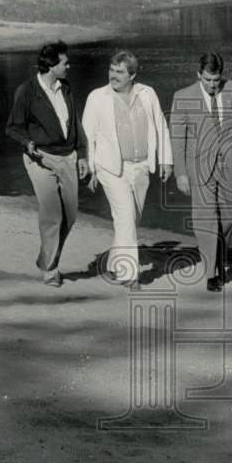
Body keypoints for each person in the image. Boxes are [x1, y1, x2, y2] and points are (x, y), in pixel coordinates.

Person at [170, 51, 232, 292]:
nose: (212, 85)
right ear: (199, 75)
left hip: (230, 164)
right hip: (199, 167)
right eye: (207, 80)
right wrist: (180, 173)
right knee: (205, 218)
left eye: (216, 80)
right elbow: (177, 139)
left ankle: (219, 252)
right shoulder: (182, 97)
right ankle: (211, 273)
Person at [82, 50, 173, 290]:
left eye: (119, 72)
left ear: (132, 74)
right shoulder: (97, 98)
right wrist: (91, 170)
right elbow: (88, 136)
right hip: (111, 167)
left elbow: (160, 126)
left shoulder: (147, 94)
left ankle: (114, 263)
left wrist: (166, 160)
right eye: (111, 70)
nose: (113, 76)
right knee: (125, 216)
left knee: (131, 219)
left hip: (142, 165)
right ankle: (129, 275)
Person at [6, 40, 88, 287]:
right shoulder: (27, 90)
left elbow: (75, 124)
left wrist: (82, 153)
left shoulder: (66, 88)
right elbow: (13, 126)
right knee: (53, 213)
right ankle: (51, 270)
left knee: (70, 216)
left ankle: (46, 259)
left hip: (69, 157)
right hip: (40, 158)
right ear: (52, 65)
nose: (69, 66)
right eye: (65, 63)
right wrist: (28, 143)